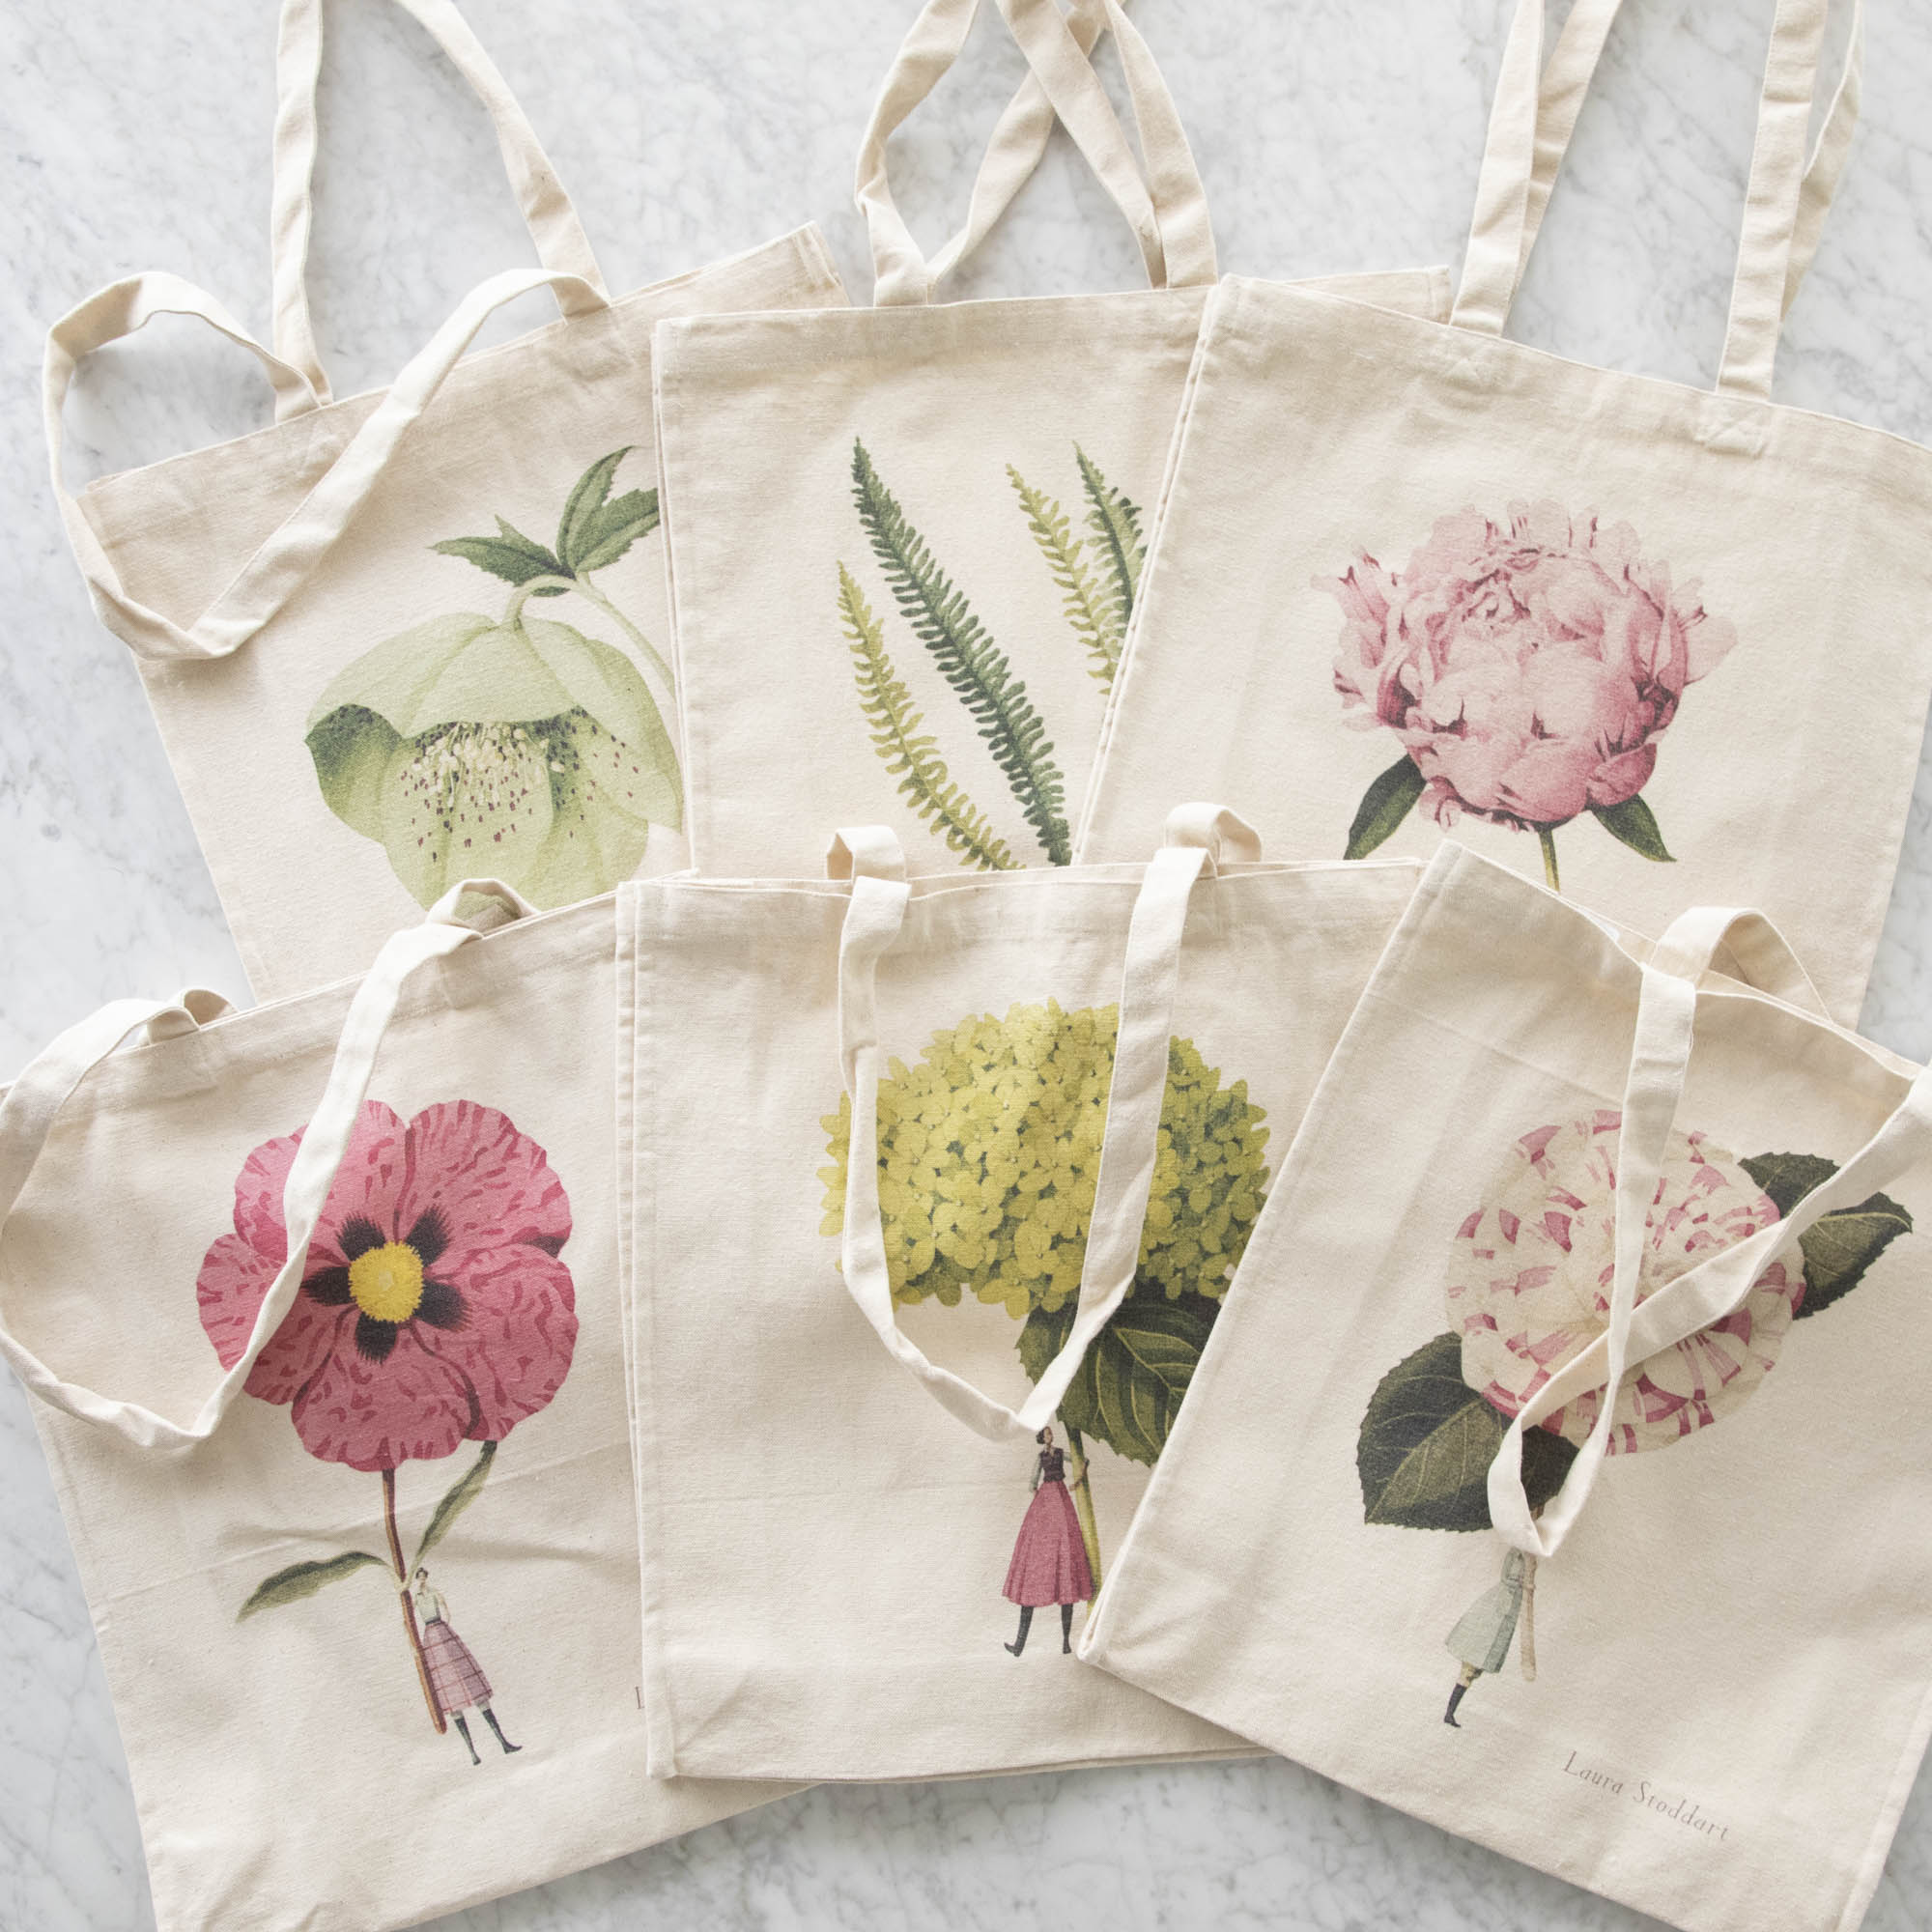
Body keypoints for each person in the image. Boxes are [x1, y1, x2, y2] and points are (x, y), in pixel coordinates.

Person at [412, 1566, 522, 1763]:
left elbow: (445, 1609)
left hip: (443, 1633)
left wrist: (444, 1624)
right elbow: (409, 1620)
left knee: (472, 1686)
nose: (421, 1580)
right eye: (418, 1577)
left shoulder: (434, 1592)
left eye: (423, 1576)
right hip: (431, 1639)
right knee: (449, 1695)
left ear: (426, 1577)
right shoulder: (416, 1598)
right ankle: (472, 1753)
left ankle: (503, 1742)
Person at [1001, 1425, 1094, 1656]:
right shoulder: (1041, 1457)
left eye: (1051, 1433)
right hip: (1050, 1500)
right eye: (1047, 1433)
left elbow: (1081, 1461)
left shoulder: (1061, 1453)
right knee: (1042, 1557)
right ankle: (1020, 1645)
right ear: (1043, 1438)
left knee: (1066, 1560)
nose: (1050, 1436)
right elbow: (1032, 1482)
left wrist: (1077, 1481)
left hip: (1060, 1498)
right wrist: (1040, 1503)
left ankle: (1065, 1642)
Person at [1442, 1546, 1537, 1726]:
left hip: (1511, 1607)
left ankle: (1450, 1713)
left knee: (1473, 1670)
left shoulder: (1530, 1557)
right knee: (1471, 1668)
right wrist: (1522, 1584)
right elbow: (1505, 1576)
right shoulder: (1515, 1553)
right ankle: (1449, 1712)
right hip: (1501, 1602)